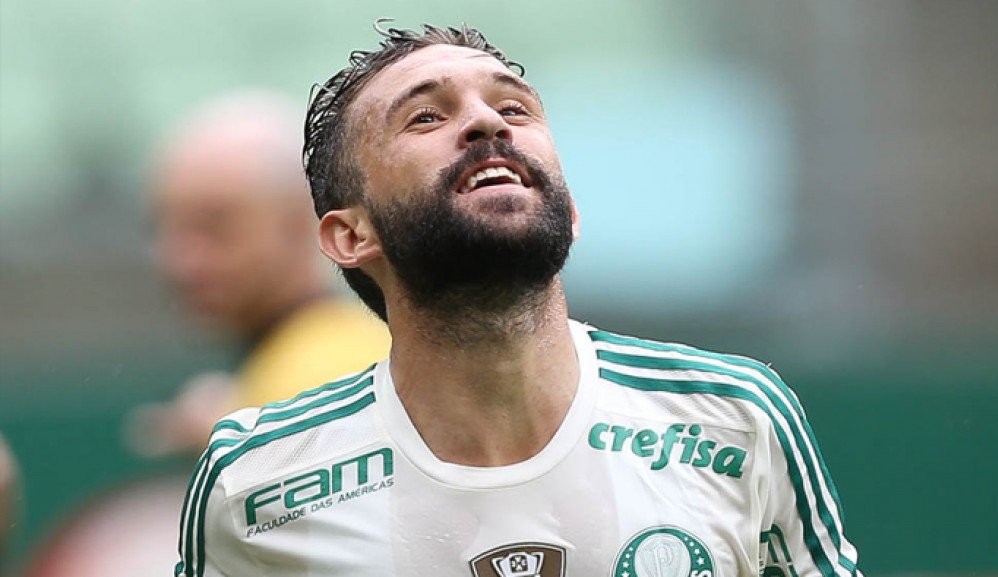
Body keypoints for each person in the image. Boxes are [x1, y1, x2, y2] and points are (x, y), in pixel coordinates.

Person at [175, 23, 861, 577]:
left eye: (512, 108)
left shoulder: (736, 420)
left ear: (571, 210)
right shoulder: (253, 484)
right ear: (352, 235)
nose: (486, 122)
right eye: (424, 117)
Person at [126, 92, 391, 456]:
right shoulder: (299, 365)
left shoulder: (319, 382)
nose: (181, 261)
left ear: (301, 223)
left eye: (214, 226)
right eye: (165, 228)